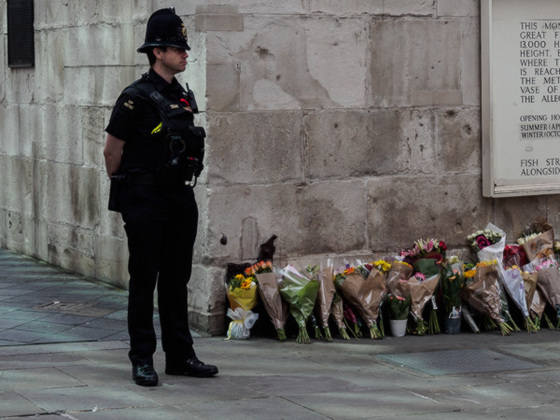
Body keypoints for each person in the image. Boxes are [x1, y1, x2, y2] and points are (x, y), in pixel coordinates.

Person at [103, 7, 218, 387]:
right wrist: (132, 190)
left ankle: (181, 355)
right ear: (157, 52)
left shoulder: (180, 95)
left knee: (176, 278)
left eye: (184, 47)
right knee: (144, 279)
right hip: (146, 197)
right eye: (176, 47)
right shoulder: (134, 98)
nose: (185, 53)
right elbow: (111, 150)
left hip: (179, 197)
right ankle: (142, 359)